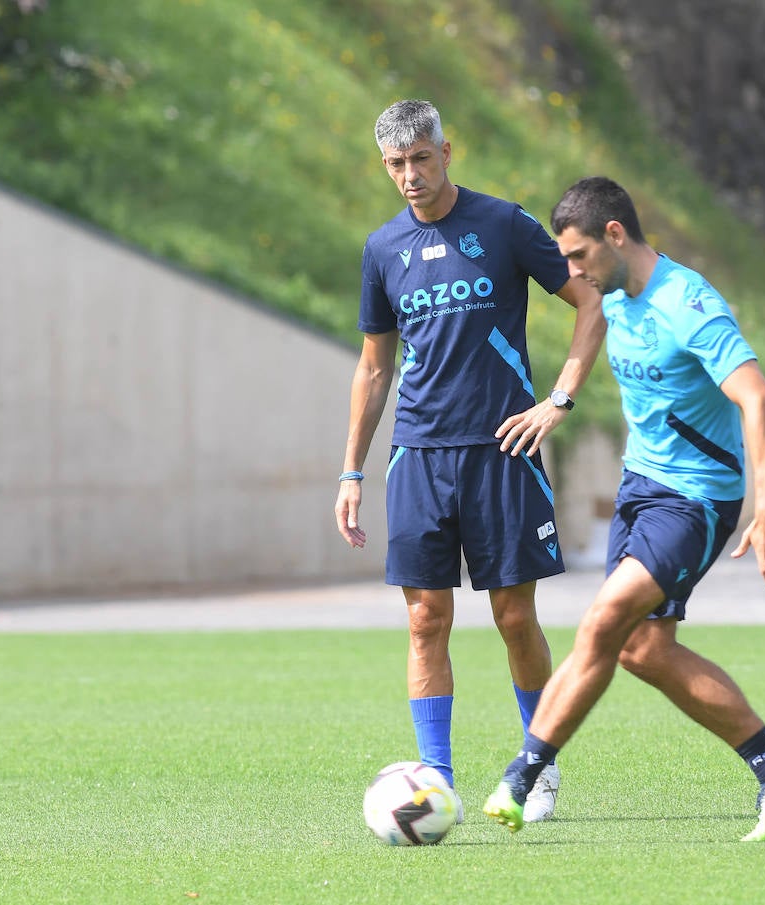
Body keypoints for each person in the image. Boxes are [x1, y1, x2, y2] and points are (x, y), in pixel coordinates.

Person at [482, 176, 765, 841]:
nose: (572, 273)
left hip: (697, 499)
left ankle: (524, 773)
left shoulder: (689, 305)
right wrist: (560, 400)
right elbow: (591, 322)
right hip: (641, 488)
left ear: (615, 235)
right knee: (641, 649)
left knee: (604, 617)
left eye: (579, 257)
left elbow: (761, 400)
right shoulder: (616, 295)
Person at [334, 100, 604, 823]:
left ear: (447, 152)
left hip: (503, 451)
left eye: (421, 158)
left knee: (515, 617)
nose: (410, 175)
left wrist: (559, 401)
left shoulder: (503, 225)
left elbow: (590, 302)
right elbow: (373, 367)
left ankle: (536, 767)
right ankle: (435, 780)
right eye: (396, 164)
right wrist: (351, 471)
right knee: (426, 619)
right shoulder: (382, 248)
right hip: (418, 456)